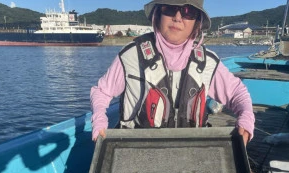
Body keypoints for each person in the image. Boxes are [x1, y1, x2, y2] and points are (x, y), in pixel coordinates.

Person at [90, 0, 255, 145]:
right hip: (134, 147)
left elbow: (237, 93)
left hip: (191, 150)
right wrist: (99, 117)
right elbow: (102, 91)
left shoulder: (208, 62)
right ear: (157, 14)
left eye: (188, 12)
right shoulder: (130, 56)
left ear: (197, 23)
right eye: (169, 8)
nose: (177, 17)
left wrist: (247, 117)